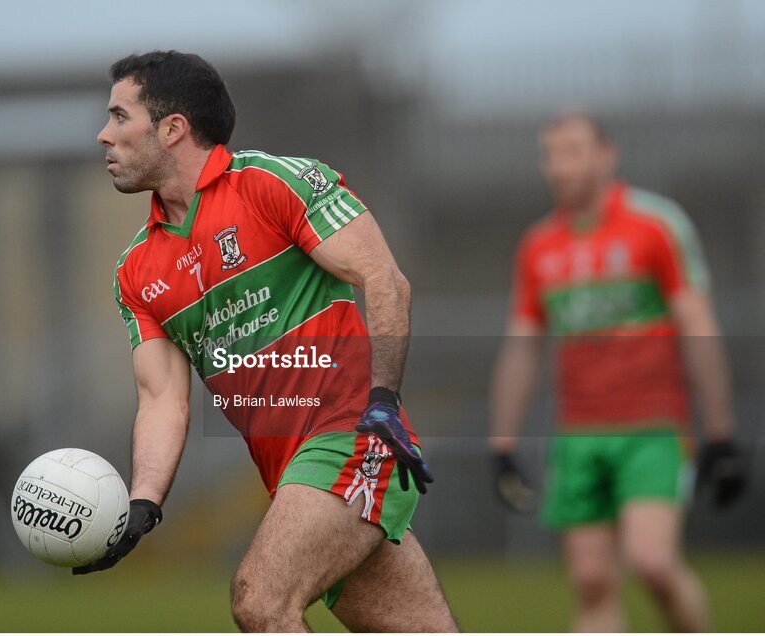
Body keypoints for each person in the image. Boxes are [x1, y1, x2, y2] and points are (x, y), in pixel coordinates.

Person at [75, 50, 458, 632]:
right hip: (291, 473)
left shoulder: (272, 183)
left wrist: (382, 401)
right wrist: (143, 502)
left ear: (172, 128)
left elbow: (384, 280)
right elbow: (162, 399)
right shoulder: (136, 269)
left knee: (260, 600)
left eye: (119, 116)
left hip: (354, 433)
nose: (104, 135)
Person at [489, 112, 747, 632]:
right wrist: (502, 443)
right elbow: (523, 347)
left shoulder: (656, 225)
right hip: (579, 434)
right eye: (551, 154)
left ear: (607, 155)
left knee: (652, 563)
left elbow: (697, 324)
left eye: (573, 152)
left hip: (652, 428)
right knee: (592, 582)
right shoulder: (539, 246)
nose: (559, 167)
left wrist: (721, 433)